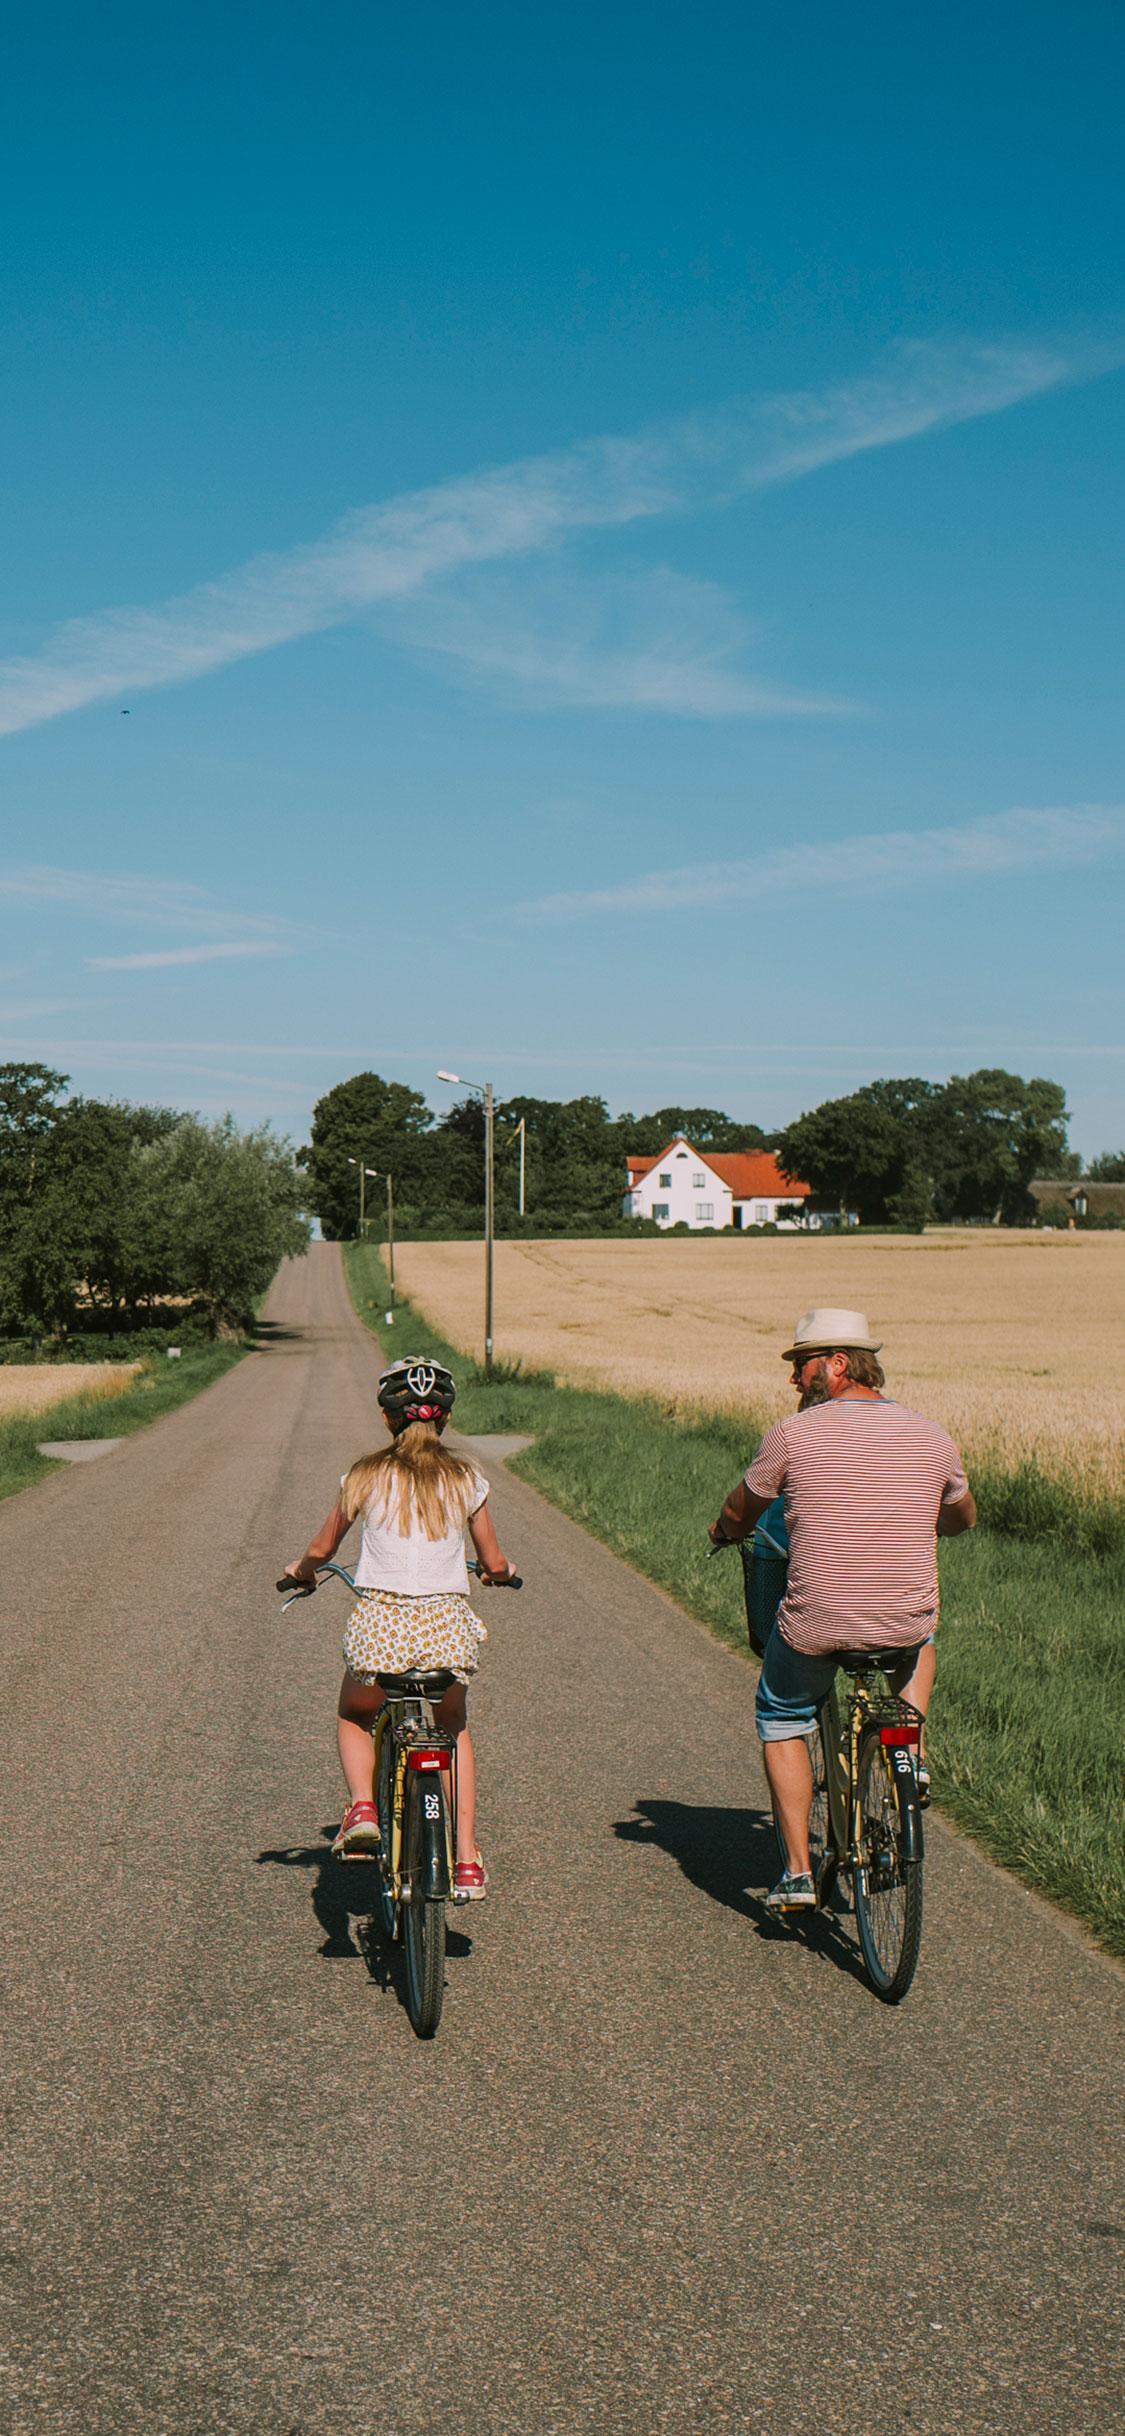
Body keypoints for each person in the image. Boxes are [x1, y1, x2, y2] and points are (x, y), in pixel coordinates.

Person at [709, 1306, 976, 1910]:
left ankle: (799, 1872)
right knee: (920, 1642)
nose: (793, 1380)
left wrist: (721, 1532)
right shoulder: (931, 1434)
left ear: (835, 1364)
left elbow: (741, 1511)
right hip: (902, 1620)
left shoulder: (792, 1434)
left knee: (780, 1715)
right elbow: (962, 1518)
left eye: (801, 1365)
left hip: (817, 1623)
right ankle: (910, 1749)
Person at [283, 1356, 517, 1899]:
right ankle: (464, 1861)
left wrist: (302, 1571)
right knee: (453, 1723)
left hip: (380, 1626)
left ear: (388, 1419)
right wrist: (500, 1574)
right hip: (444, 1629)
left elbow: (322, 1549)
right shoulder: (467, 1479)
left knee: (355, 1713)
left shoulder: (364, 1475)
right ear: (446, 1419)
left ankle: (363, 1808)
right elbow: (495, 1560)